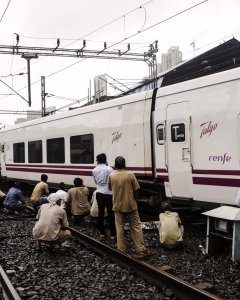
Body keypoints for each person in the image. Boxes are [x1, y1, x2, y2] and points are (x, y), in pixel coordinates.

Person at [108, 156, 149, 256]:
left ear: (115, 165)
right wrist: (136, 200)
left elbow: (110, 188)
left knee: (119, 227)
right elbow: (136, 189)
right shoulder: (130, 174)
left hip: (117, 205)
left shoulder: (111, 175)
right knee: (136, 226)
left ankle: (121, 249)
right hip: (131, 204)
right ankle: (140, 248)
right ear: (125, 164)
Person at [92, 153, 116, 239]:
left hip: (99, 193)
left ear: (97, 161)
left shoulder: (94, 170)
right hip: (108, 193)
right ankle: (113, 234)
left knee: (101, 213)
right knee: (111, 213)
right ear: (105, 160)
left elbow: (96, 182)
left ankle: (102, 233)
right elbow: (112, 181)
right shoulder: (110, 169)